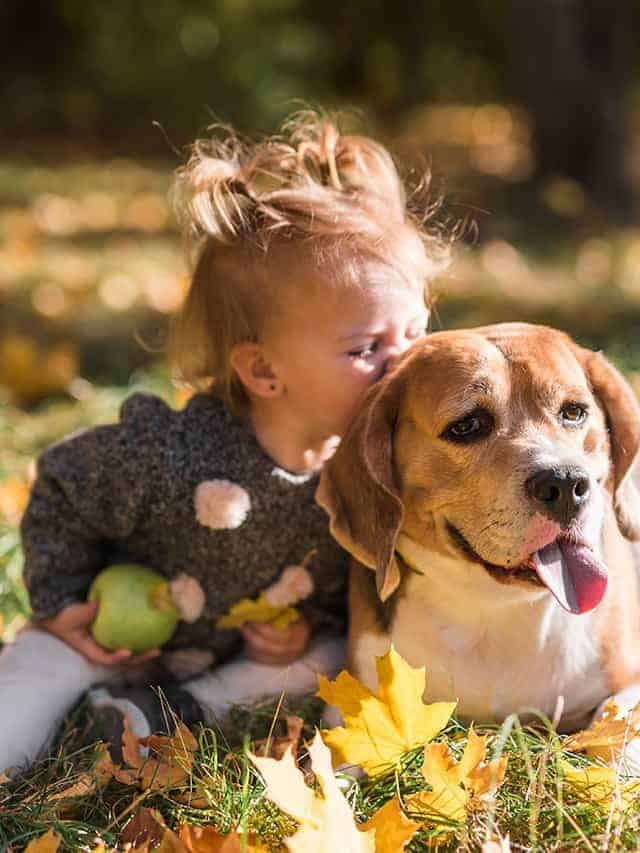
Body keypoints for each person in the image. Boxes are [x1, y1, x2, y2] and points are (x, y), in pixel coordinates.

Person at [0, 111, 452, 774]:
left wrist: (297, 630)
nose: (402, 363)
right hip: (110, 632)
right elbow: (66, 483)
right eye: (367, 348)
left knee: (328, 658)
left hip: (232, 658)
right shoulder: (171, 452)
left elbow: (343, 584)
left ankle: (165, 711)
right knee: (35, 678)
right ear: (264, 371)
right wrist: (63, 602)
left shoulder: (368, 472)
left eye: (413, 334)